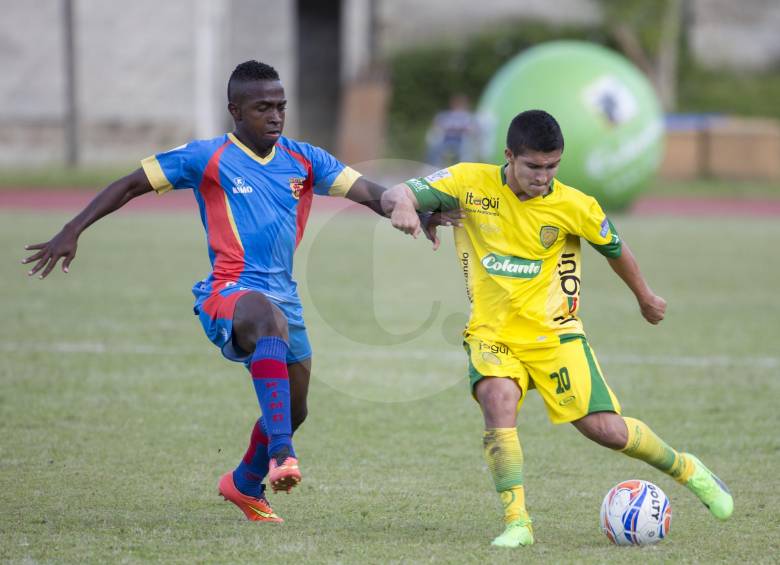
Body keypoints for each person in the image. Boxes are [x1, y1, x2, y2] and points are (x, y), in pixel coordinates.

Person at [21, 60, 451, 524]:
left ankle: (244, 483)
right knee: (267, 324)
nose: (275, 116)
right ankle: (282, 456)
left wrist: (415, 208)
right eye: (263, 107)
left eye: (281, 107)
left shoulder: (305, 159)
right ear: (235, 111)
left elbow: (370, 193)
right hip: (228, 290)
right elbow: (129, 185)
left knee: (296, 406)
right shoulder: (205, 157)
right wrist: (72, 228)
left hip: (284, 296)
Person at [381, 110, 733, 548]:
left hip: (556, 335)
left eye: (552, 167)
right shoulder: (468, 181)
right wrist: (404, 208)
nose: (543, 176)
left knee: (606, 430)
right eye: (534, 166)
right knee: (497, 398)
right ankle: (518, 523)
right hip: (492, 333)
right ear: (509, 156)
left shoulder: (575, 205)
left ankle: (688, 469)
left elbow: (616, 249)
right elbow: (400, 190)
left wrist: (644, 297)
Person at [425, 94, 481, 167]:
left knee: (467, 150)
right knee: (435, 147)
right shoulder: (444, 115)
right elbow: (436, 127)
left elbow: (474, 130)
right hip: (445, 139)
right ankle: (432, 168)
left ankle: (465, 168)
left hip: (462, 141)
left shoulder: (469, 117)